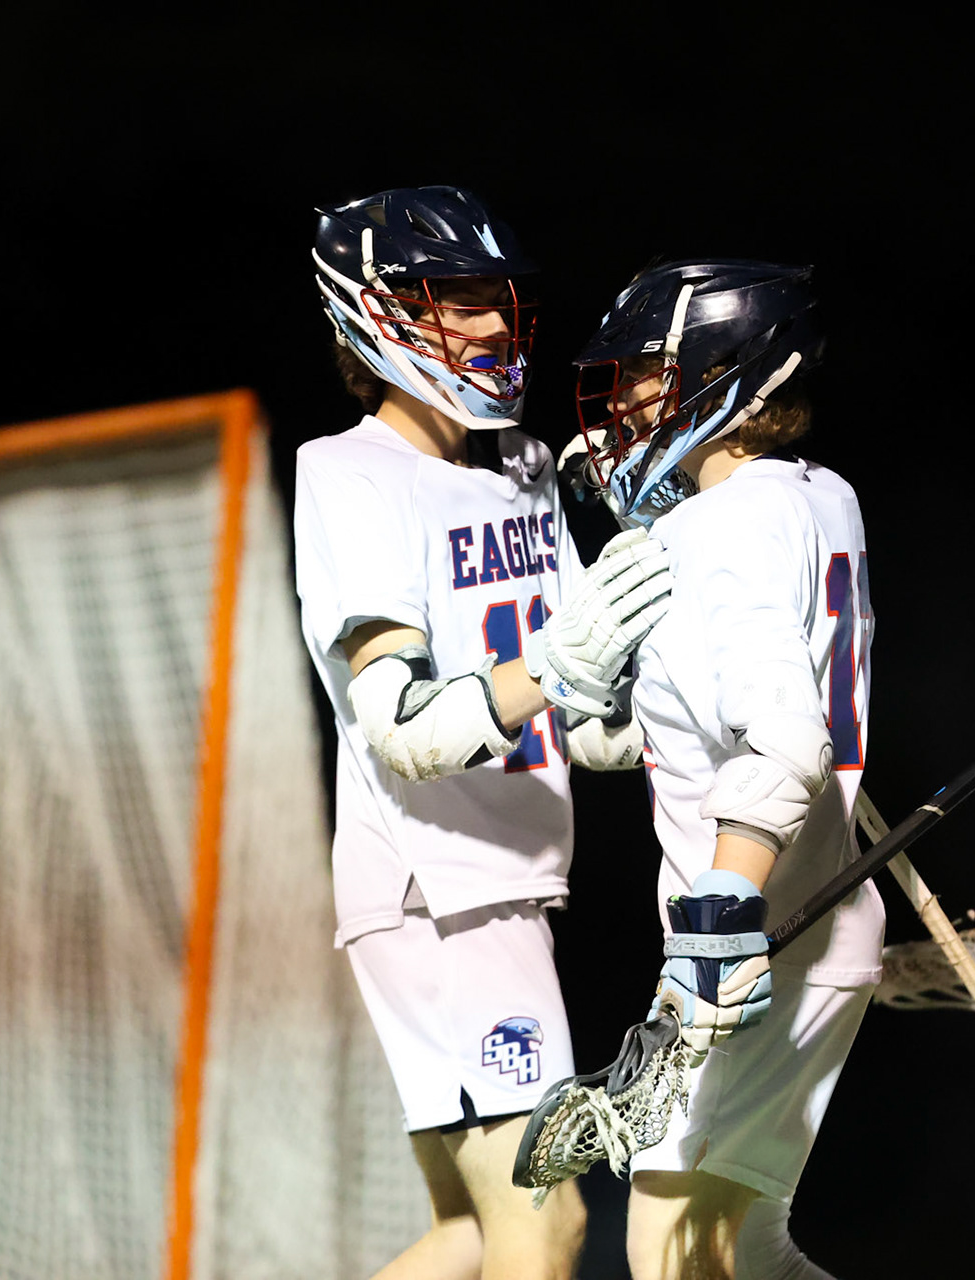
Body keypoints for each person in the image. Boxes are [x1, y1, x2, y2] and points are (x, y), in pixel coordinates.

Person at [294, 185, 667, 1280]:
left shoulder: (522, 464)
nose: (496, 327)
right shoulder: (350, 474)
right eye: (458, 303)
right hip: (439, 892)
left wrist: (676, 715)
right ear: (374, 313)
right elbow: (404, 727)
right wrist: (557, 662)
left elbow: (581, 715)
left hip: (497, 878)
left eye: (498, 302)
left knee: (470, 1231)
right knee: (543, 1227)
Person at [567, 260, 883, 1280]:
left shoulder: (725, 521)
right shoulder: (818, 497)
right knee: (747, 1249)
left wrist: (718, 915)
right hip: (807, 912)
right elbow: (707, 723)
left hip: (757, 929)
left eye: (647, 375)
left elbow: (787, 735)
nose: (624, 402)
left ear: (721, 375)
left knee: (667, 1251)